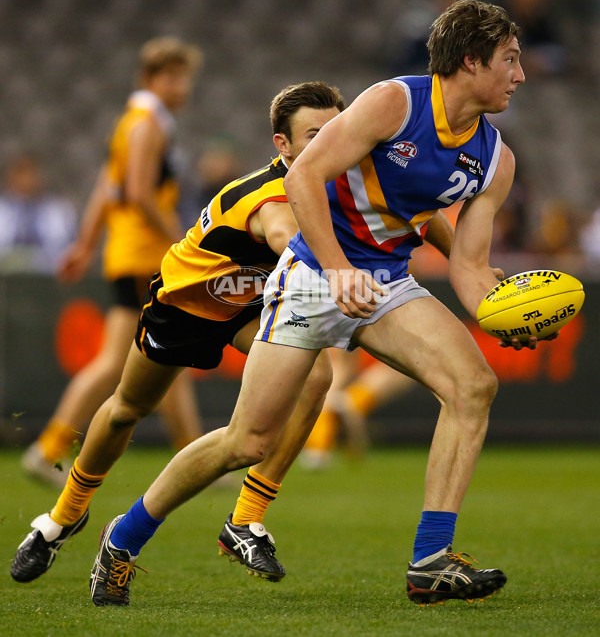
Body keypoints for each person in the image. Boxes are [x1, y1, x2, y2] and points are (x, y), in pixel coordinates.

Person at [82, 0, 539, 609]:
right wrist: (339, 269)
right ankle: (123, 538)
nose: (521, 73)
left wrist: (501, 313)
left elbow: (471, 266)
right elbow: (302, 178)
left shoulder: (495, 159)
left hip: (385, 283)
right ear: (470, 60)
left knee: (473, 385)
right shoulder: (394, 103)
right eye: (509, 59)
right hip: (313, 273)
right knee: (246, 442)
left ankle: (431, 559)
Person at [11, 81, 454, 593]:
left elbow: (416, 213)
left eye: (336, 129)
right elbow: (286, 233)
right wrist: (341, 272)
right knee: (126, 409)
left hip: (251, 304)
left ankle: (246, 518)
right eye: (313, 134)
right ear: (282, 146)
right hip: (190, 301)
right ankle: (63, 518)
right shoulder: (273, 196)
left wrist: (469, 259)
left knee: (317, 378)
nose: (329, 140)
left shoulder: (350, 180)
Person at [21, 37, 204, 486]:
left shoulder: (133, 123)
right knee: (116, 361)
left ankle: (193, 458)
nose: (181, 87)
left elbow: (108, 187)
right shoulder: (147, 126)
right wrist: (183, 244)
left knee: (169, 353)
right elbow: (139, 194)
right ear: (149, 79)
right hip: (144, 255)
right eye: (172, 77)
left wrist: (84, 245)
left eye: (185, 78)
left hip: (129, 253)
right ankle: (47, 449)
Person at [0, 153, 76, 273]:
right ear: (11, 176)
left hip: (47, 279)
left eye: (31, 173)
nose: (27, 179)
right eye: (21, 173)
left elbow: (65, 250)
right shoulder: (2, 210)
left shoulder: (58, 210)